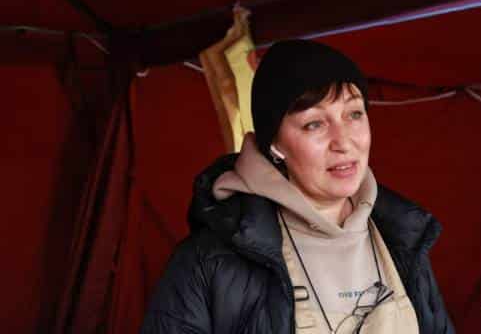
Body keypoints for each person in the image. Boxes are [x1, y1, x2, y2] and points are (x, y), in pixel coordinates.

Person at [141, 39, 455, 334]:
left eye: (354, 114)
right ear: (275, 145)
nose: (343, 142)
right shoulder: (209, 260)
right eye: (314, 124)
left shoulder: (404, 239)